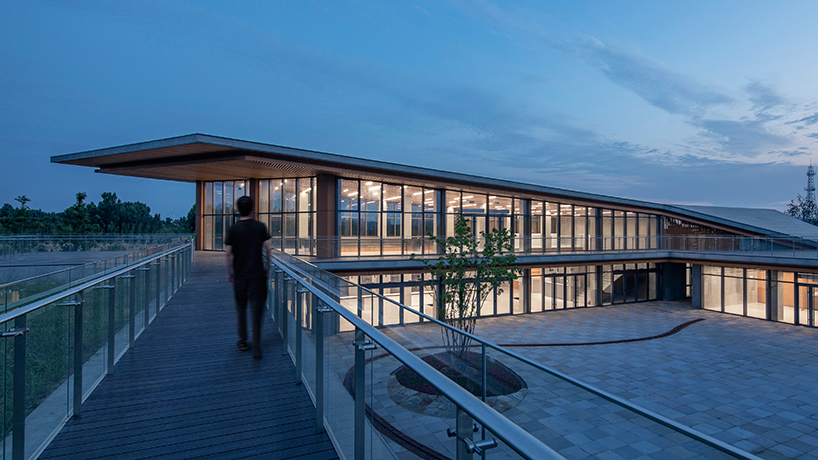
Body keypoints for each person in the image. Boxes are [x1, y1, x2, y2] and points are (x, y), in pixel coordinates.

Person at [225, 195, 272, 359]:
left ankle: (243, 341)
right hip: (258, 275)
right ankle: (257, 346)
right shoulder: (260, 227)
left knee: (241, 309)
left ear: (238, 209)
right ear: (252, 208)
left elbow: (228, 252)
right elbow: (268, 248)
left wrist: (229, 272)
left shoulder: (234, 229)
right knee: (257, 311)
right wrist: (267, 268)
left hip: (240, 276)